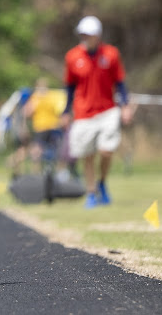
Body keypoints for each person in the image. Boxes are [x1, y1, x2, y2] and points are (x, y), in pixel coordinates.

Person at [61, 16, 134, 209]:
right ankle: (91, 192)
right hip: (83, 112)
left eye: (89, 34)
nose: (85, 37)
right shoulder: (72, 57)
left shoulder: (110, 54)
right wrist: (66, 111)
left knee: (106, 151)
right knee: (88, 155)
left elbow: (120, 82)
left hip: (108, 110)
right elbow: (69, 87)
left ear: (97, 35)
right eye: (82, 34)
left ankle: (102, 182)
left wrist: (125, 105)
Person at [23, 77, 71, 175]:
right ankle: (35, 173)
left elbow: (60, 110)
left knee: (59, 151)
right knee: (37, 151)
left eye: (44, 85)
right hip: (40, 127)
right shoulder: (35, 98)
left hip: (53, 127)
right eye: (41, 86)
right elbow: (26, 112)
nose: (43, 88)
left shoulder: (52, 97)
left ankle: (59, 174)